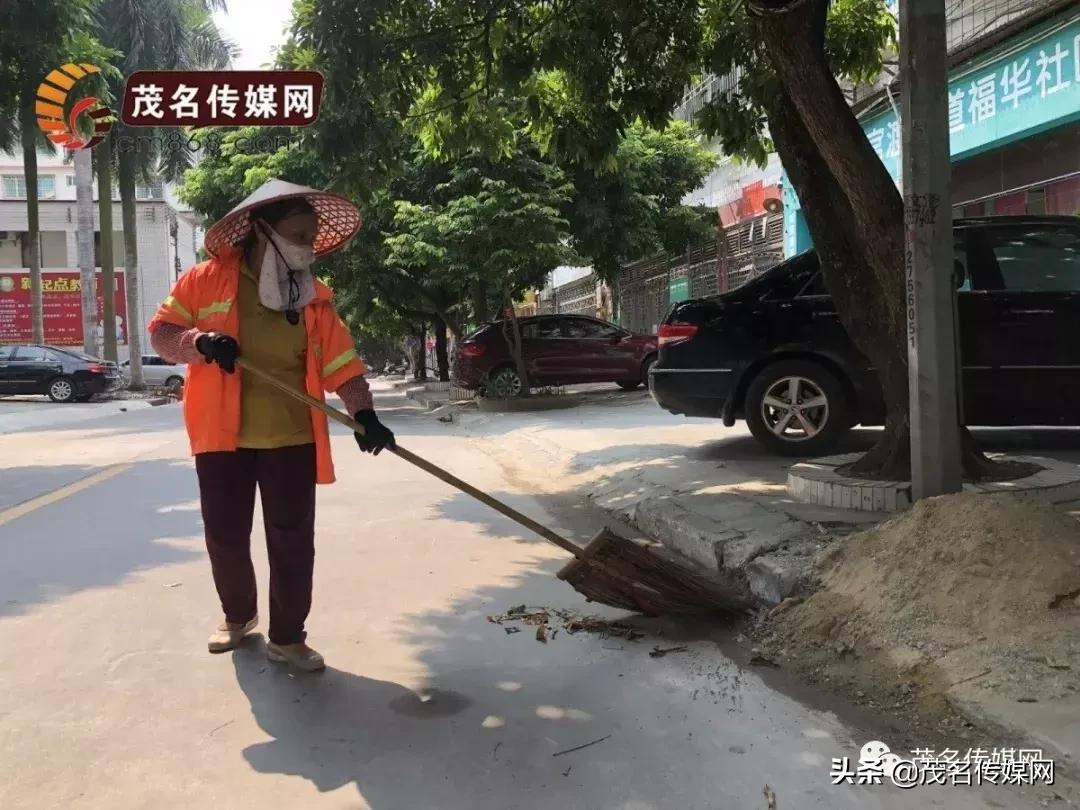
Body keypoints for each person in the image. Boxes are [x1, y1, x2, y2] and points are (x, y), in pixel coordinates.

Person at [148, 179, 396, 672]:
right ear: (263, 231)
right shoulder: (204, 280)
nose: (306, 246)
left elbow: (342, 362)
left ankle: (288, 637)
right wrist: (200, 342)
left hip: (291, 437)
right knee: (224, 535)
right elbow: (162, 334)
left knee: (291, 540)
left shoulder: (313, 299)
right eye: (297, 234)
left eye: (310, 236)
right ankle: (239, 617)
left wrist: (363, 413)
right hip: (221, 436)